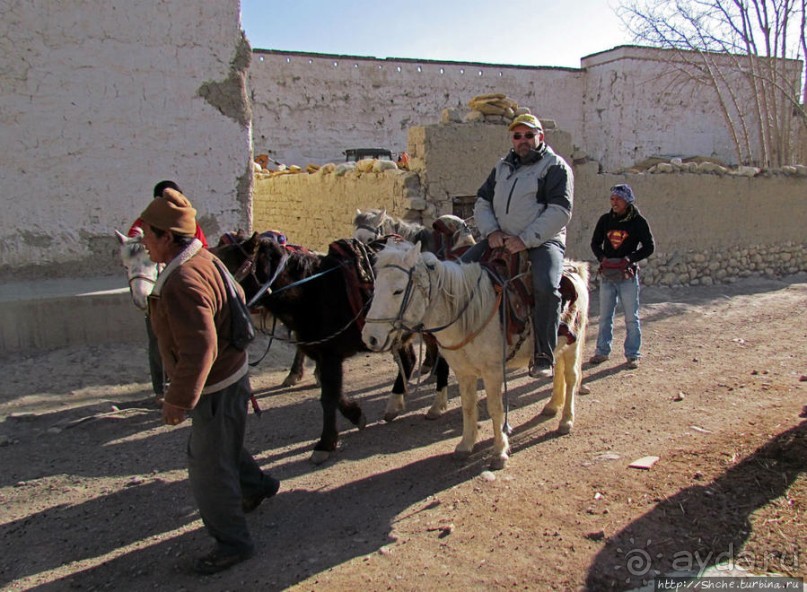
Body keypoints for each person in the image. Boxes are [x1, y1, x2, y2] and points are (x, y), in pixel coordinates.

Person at [140, 188, 279, 575]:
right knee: (224, 442)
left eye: (148, 236)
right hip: (230, 374)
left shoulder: (183, 280)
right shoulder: (203, 258)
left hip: (214, 386)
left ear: (167, 237)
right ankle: (257, 486)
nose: (145, 244)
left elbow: (201, 347)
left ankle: (233, 543)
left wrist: (178, 399)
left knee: (208, 468)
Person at [462, 113, 574, 378]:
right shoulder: (502, 167)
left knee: (546, 286)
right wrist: (492, 232)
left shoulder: (555, 167)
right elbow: (482, 201)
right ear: (512, 139)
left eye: (528, 135)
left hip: (542, 240)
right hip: (500, 238)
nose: (523, 140)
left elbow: (560, 211)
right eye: (517, 135)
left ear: (540, 137)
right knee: (459, 271)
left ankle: (543, 354)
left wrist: (524, 239)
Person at [128, 180, 208, 400]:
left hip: (181, 288)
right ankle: (162, 389)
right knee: (159, 339)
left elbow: (201, 250)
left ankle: (184, 388)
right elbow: (133, 254)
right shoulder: (146, 224)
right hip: (156, 292)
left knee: (187, 340)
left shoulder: (189, 225)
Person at [589, 184, 655, 369]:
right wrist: (603, 258)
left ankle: (633, 354)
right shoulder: (605, 220)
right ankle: (602, 351)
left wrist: (629, 259)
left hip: (627, 276)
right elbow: (595, 243)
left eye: (618, 199)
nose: (614, 202)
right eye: (612, 199)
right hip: (608, 275)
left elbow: (649, 246)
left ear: (627, 200)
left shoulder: (638, 222)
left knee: (631, 317)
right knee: (605, 317)